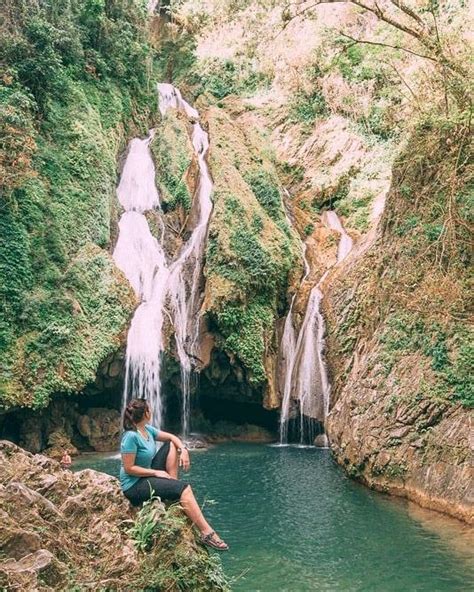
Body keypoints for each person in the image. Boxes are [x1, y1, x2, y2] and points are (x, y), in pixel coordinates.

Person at [120, 398, 228, 551]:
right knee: (185, 488)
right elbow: (129, 468)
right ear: (145, 413)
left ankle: (172, 487)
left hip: (146, 475)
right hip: (134, 484)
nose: (152, 410)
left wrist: (183, 449)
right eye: (149, 409)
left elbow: (172, 437)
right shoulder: (131, 436)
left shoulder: (147, 430)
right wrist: (156, 472)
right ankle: (206, 533)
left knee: (171, 445)